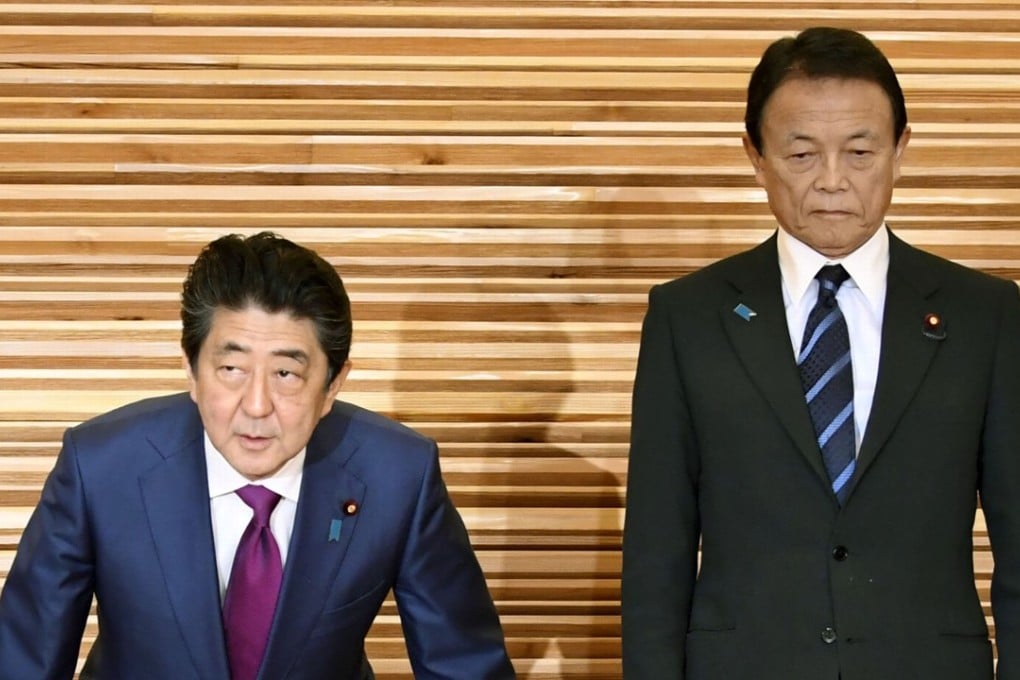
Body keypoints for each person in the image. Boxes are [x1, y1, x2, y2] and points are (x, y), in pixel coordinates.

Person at [622, 26, 1020, 680]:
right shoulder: (687, 318)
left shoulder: (987, 316)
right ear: (756, 156)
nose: (833, 182)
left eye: (860, 152)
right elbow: (655, 556)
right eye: (802, 154)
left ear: (900, 151)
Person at [0, 232, 516, 679]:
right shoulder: (99, 467)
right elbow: (21, 663)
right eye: (232, 370)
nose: (256, 405)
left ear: (333, 385)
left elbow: (465, 665)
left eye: (286, 374)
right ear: (191, 371)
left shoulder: (398, 476)